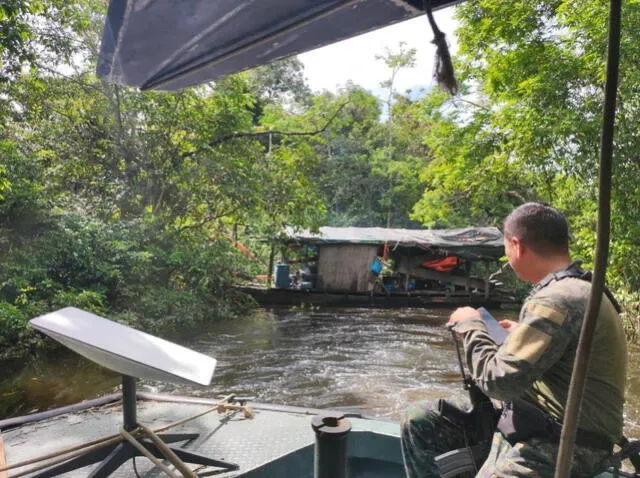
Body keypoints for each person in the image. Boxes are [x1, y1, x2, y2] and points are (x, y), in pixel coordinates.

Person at [401, 203, 628, 477]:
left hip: (569, 444)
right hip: (540, 422)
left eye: (506, 248)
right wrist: (520, 333)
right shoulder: (578, 288)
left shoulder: (557, 299)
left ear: (517, 246)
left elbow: (500, 383)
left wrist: (471, 326)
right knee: (420, 420)